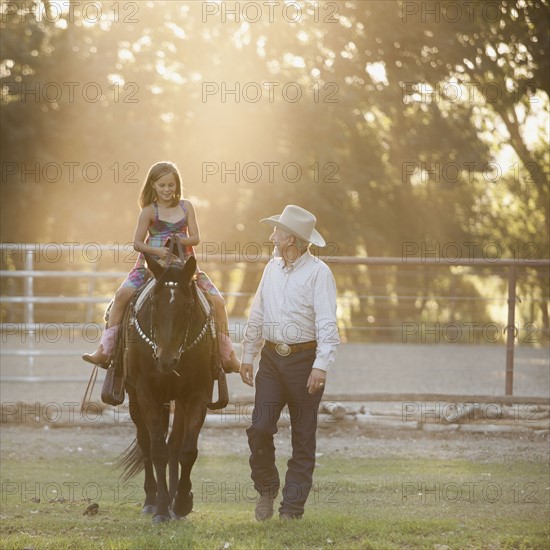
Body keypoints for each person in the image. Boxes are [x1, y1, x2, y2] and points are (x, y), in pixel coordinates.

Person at [82, 161, 240, 373]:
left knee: (218, 301)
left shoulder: (186, 207)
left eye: (171, 185)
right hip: (150, 265)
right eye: (162, 185)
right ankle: (106, 348)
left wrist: (178, 242)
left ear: (177, 186)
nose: (167, 190)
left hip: (183, 265)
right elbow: (137, 243)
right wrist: (157, 252)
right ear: (153, 186)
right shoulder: (149, 211)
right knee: (121, 296)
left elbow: (195, 238)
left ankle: (226, 354)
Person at [239, 204, 340, 521]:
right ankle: (267, 489)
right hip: (270, 360)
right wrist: (247, 353)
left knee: (303, 437)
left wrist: (321, 364)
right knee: (259, 428)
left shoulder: (319, 274)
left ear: (291, 240)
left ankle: (292, 509)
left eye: (277, 231)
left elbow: (327, 323)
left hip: (304, 362)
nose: (272, 235)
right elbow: (257, 313)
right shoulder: (270, 269)